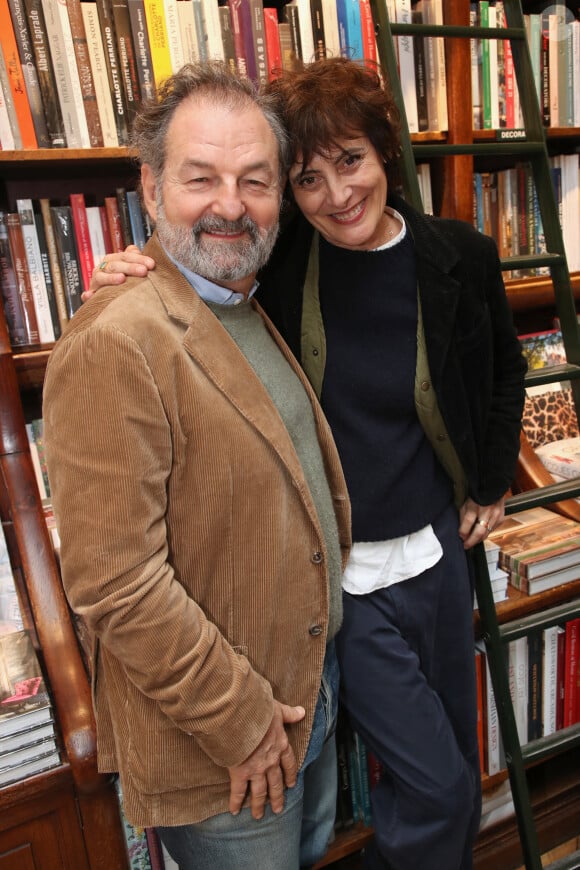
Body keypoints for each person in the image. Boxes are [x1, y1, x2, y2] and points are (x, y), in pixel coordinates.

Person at [88, 58, 527, 870]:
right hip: (342, 585)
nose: (335, 194)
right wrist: (129, 266)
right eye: (306, 179)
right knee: (443, 785)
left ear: (385, 154)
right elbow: (193, 274)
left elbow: (504, 370)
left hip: (435, 555)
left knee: (446, 765)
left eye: (350, 162)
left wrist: (493, 479)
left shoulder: (459, 254)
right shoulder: (276, 266)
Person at [43, 62, 352, 870]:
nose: (229, 204)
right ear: (149, 189)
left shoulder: (238, 294)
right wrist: (245, 722)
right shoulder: (117, 340)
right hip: (228, 749)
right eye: (201, 178)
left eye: (255, 180)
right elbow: (116, 583)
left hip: (306, 701)